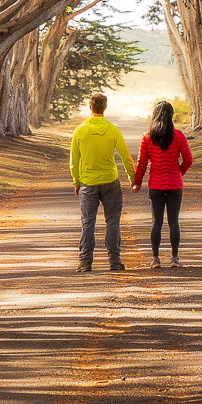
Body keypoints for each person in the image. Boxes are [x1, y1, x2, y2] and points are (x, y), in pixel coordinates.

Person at [69, 92, 136, 273]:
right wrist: (133, 178)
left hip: (88, 183)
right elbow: (126, 157)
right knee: (113, 221)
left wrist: (76, 182)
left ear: (90, 107)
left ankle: (85, 262)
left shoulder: (80, 131)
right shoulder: (113, 130)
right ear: (105, 108)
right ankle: (114, 261)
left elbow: (74, 161)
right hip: (110, 181)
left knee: (88, 222)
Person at [131, 100, 193, 268]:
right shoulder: (179, 135)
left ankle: (155, 258)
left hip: (156, 185)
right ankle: (175, 258)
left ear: (155, 115)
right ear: (171, 116)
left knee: (156, 222)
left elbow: (142, 162)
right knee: (174, 221)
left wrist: (137, 182)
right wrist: (179, 172)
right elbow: (188, 160)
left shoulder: (148, 137)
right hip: (175, 185)